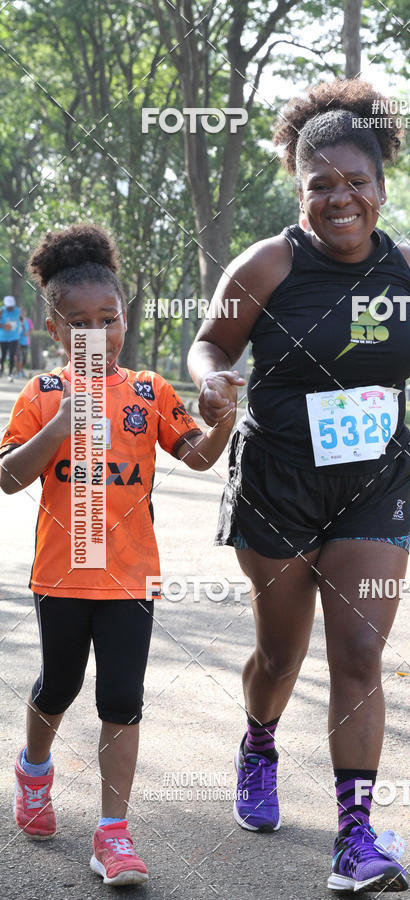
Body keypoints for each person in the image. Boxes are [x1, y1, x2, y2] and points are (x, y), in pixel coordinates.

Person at [188, 79, 410, 894]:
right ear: (300, 190)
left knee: (362, 650)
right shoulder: (267, 264)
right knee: (280, 653)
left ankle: (354, 839)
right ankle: (259, 742)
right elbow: (209, 343)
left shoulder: (405, 262)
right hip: (278, 481)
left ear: (380, 185)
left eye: (356, 182)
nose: (340, 199)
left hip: (374, 480)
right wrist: (212, 382)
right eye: (321, 185)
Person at [1, 224, 235, 887]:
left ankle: (112, 833)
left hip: (131, 580)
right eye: (80, 324)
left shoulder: (149, 392)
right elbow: (10, 476)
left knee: (121, 700)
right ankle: (35, 771)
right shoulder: (42, 394)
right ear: (54, 329)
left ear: (124, 322)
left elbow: (195, 456)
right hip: (61, 576)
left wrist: (222, 421)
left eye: (109, 321)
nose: (97, 336)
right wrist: (59, 425)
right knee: (59, 686)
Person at [0, 295, 21, 379]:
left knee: (12, 355)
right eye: (8, 307)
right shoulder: (2, 311)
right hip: (3, 338)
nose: (10, 308)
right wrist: (4, 325)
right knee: (3, 355)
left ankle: (10, 373)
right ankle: (1, 370)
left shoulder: (17, 310)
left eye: (11, 306)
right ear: (5, 305)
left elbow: (20, 320)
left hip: (14, 337)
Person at [16, 310, 34, 377]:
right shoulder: (17, 321)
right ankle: (18, 373)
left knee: (25, 359)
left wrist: (28, 333)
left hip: (26, 342)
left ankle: (21, 369)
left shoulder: (28, 321)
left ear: (26, 313)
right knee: (18, 358)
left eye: (24, 312)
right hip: (17, 342)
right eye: (21, 313)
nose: (23, 314)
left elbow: (31, 329)